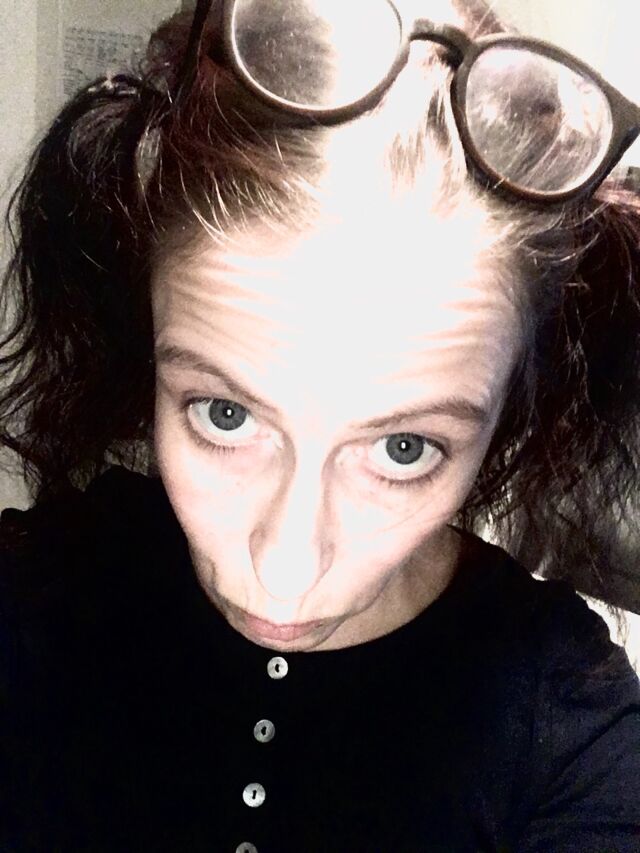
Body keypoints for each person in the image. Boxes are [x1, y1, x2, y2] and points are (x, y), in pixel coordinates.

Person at [1, 0, 639, 849]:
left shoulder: (571, 730)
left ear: (508, 415)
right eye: (225, 414)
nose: (286, 571)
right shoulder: (37, 595)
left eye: (403, 449)